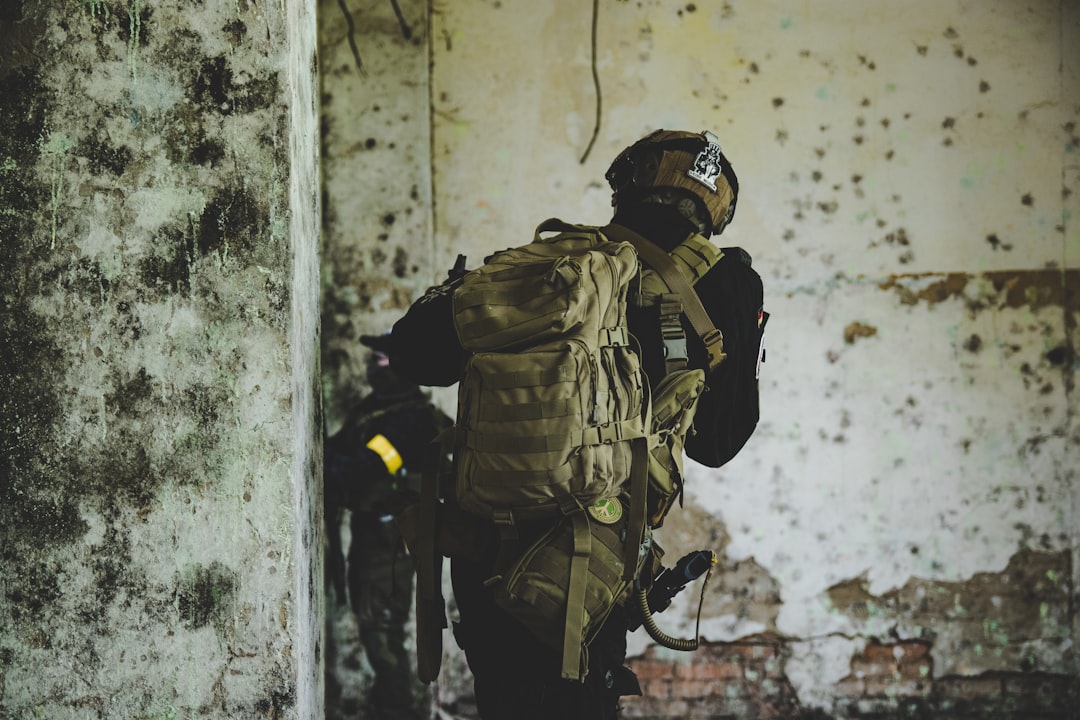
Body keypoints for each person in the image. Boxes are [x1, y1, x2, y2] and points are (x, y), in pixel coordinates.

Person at [379, 129, 741, 719]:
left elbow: (413, 355)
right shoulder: (726, 283)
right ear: (714, 210)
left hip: (480, 549)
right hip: (583, 567)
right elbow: (720, 443)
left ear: (626, 186)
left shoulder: (545, 263)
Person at [324, 346, 452, 720]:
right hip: (374, 535)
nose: (371, 367)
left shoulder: (408, 421)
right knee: (377, 626)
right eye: (372, 359)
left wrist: (322, 456)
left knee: (381, 631)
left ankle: (404, 710)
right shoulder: (375, 411)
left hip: (391, 540)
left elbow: (357, 467)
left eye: (380, 359)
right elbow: (343, 452)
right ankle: (392, 706)